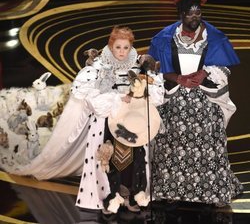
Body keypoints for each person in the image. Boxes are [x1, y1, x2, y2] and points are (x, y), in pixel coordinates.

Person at [0, 26, 164, 212]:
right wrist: (119, 99)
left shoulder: (138, 67)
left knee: (135, 157)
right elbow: (89, 97)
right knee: (107, 158)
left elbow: (156, 94)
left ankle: (132, 194)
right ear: (111, 47)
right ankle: (109, 196)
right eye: (118, 47)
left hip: (132, 121)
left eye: (126, 48)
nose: (122, 52)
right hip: (106, 121)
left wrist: (138, 94)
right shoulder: (98, 67)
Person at [148, 0, 244, 207]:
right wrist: (178, 78)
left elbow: (225, 67)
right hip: (175, 95)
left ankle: (214, 190)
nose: (194, 17)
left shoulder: (214, 37)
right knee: (170, 136)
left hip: (205, 96)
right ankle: (171, 189)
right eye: (190, 13)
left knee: (211, 133)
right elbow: (155, 70)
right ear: (181, 14)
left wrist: (205, 72)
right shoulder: (165, 37)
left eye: (198, 12)